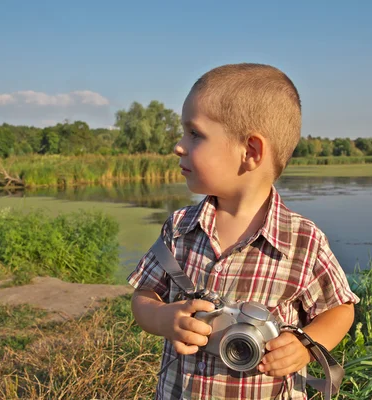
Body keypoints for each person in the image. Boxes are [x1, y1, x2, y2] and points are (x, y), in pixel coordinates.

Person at [128, 63, 359, 400]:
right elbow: (143, 296)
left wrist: (306, 347)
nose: (179, 146)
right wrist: (163, 318)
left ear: (250, 152)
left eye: (195, 134)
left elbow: (340, 310)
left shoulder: (303, 242)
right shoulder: (178, 228)